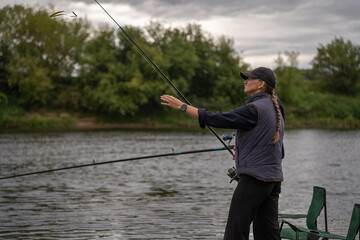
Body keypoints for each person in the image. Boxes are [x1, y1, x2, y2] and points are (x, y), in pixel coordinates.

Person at [160, 67, 285, 240]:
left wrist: (182, 106)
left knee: (235, 231)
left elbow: (218, 119)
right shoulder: (275, 106)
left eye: (249, 78)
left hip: (255, 179)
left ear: (261, 84)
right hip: (273, 180)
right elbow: (278, 148)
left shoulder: (253, 109)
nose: (245, 81)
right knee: (268, 234)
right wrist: (243, 151)